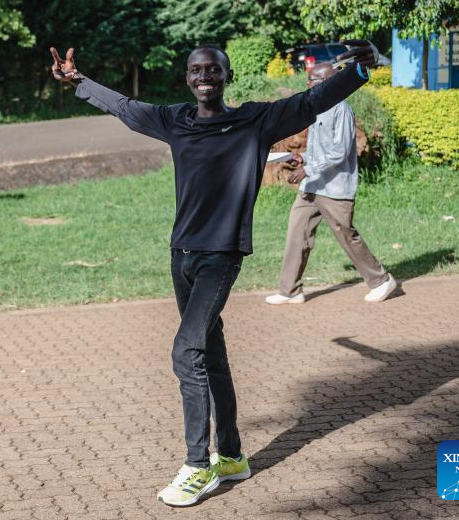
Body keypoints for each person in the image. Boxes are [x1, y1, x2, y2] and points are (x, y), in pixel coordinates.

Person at [49, 42, 379, 507]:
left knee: (187, 352)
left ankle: (197, 465)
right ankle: (232, 456)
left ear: (227, 76)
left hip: (221, 256)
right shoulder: (176, 120)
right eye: (195, 70)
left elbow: (311, 101)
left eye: (212, 69)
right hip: (181, 255)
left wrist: (360, 69)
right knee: (212, 354)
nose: (203, 76)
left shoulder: (255, 121)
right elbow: (125, 108)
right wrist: (79, 82)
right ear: (188, 78)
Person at [265, 62, 397, 305]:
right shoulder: (316, 108)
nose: (308, 83)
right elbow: (320, 150)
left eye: (312, 79)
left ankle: (381, 280)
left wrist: (307, 169)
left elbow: (340, 151)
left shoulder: (341, 109)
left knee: (346, 234)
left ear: (327, 81)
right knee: (297, 232)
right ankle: (290, 290)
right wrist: (302, 158)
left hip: (334, 188)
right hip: (312, 185)